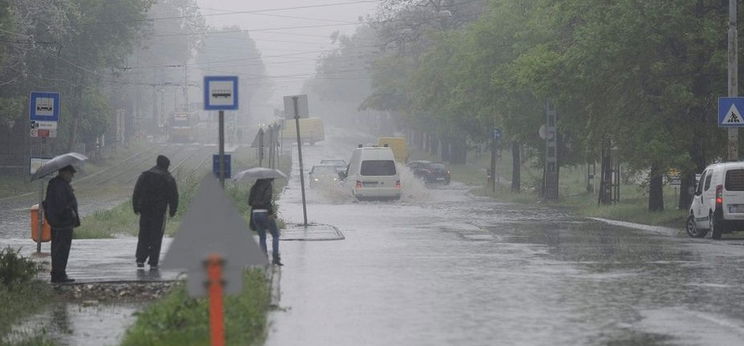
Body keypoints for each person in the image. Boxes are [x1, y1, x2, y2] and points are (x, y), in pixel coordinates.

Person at [132, 155, 178, 269]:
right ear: (166, 165)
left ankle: (140, 259)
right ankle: (153, 261)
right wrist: (173, 210)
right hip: (159, 212)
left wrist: (136, 207)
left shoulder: (145, 175)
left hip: (145, 210)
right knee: (156, 236)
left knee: (143, 234)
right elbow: (174, 196)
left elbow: (136, 192)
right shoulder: (168, 178)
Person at [44, 165, 80, 283]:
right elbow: (61, 206)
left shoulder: (57, 184)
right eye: (71, 174)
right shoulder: (59, 185)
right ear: (64, 173)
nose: (72, 176)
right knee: (61, 250)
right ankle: (59, 275)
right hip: (62, 223)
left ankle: (58, 273)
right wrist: (70, 212)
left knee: (58, 249)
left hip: (59, 223)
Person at [248, 178, 282, 266]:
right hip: (265, 212)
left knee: (262, 237)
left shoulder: (254, 187)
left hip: (255, 214)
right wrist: (271, 213)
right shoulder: (268, 185)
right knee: (275, 234)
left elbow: (249, 202)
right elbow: (267, 200)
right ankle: (275, 258)